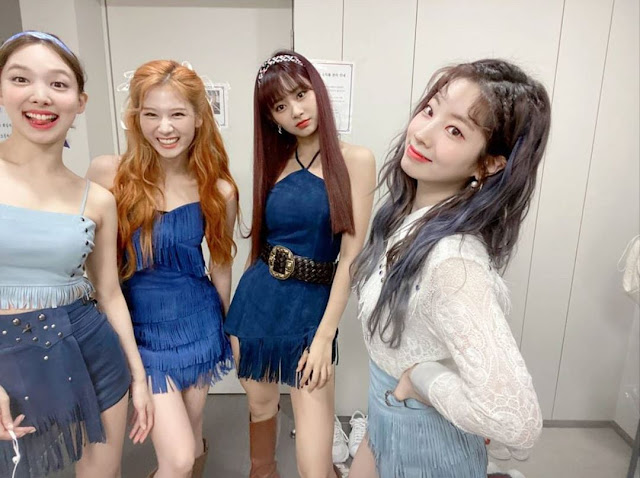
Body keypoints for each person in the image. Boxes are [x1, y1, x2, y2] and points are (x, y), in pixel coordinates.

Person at [349, 59, 549, 478]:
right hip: (387, 425)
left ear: (489, 164)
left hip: (428, 452)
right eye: (429, 110)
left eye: (455, 130)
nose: (423, 132)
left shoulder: (452, 262)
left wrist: (424, 377)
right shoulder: (405, 216)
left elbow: (517, 421)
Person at [0, 31, 153, 478]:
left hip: (89, 347)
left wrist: (139, 378)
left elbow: (109, 293)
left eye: (58, 84)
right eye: (21, 79)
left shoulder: (97, 199)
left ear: (80, 102)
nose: (41, 96)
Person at [224, 50, 376, 478]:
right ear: (271, 118)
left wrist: (325, 337)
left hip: (311, 313)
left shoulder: (356, 160)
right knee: (261, 407)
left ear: (318, 91)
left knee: (313, 464)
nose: (295, 111)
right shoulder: (275, 162)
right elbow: (262, 242)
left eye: (301, 94)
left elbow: (351, 257)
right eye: (279, 106)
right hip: (257, 302)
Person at [88, 59, 238, 478]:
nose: (165, 127)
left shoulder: (218, 189)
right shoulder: (109, 173)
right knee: (179, 456)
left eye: (177, 114)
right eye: (151, 114)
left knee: (192, 434)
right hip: (140, 329)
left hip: (199, 322)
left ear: (199, 117)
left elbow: (221, 264)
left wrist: (227, 329)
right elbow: (92, 263)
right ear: (136, 118)